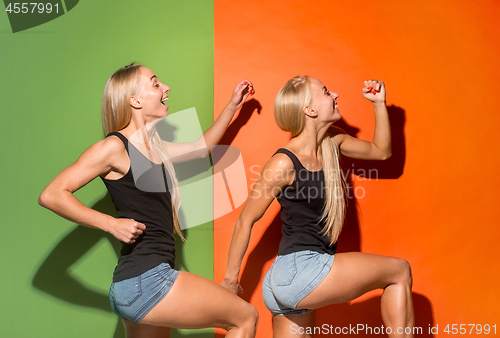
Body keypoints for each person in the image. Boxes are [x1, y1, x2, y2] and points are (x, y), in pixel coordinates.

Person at [39, 63, 258, 338]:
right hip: (148, 280)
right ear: (135, 100)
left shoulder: (158, 149)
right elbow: (51, 194)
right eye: (155, 84)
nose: (166, 88)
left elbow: (201, 149)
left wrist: (232, 106)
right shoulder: (114, 147)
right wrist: (110, 224)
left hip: (135, 286)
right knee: (246, 317)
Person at [221, 76, 414, 337]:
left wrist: (379, 103)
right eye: (325, 92)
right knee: (399, 270)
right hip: (301, 270)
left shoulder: (333, 142)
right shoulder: (283, 162)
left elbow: (381, 151)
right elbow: (246, 220)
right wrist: (231, 282)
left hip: (291, 280)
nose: (335, 94)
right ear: (309, 110)